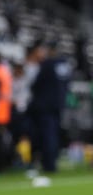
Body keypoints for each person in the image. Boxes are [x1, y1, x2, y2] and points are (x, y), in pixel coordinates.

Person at [28, 41, 72, 172]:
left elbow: (36, 85)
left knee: (47, 135)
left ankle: (49, 164)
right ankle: (53, 161)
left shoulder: (48, 64)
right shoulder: (65, 64)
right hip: (59, 105)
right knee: (54, 134)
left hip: (45, 106)